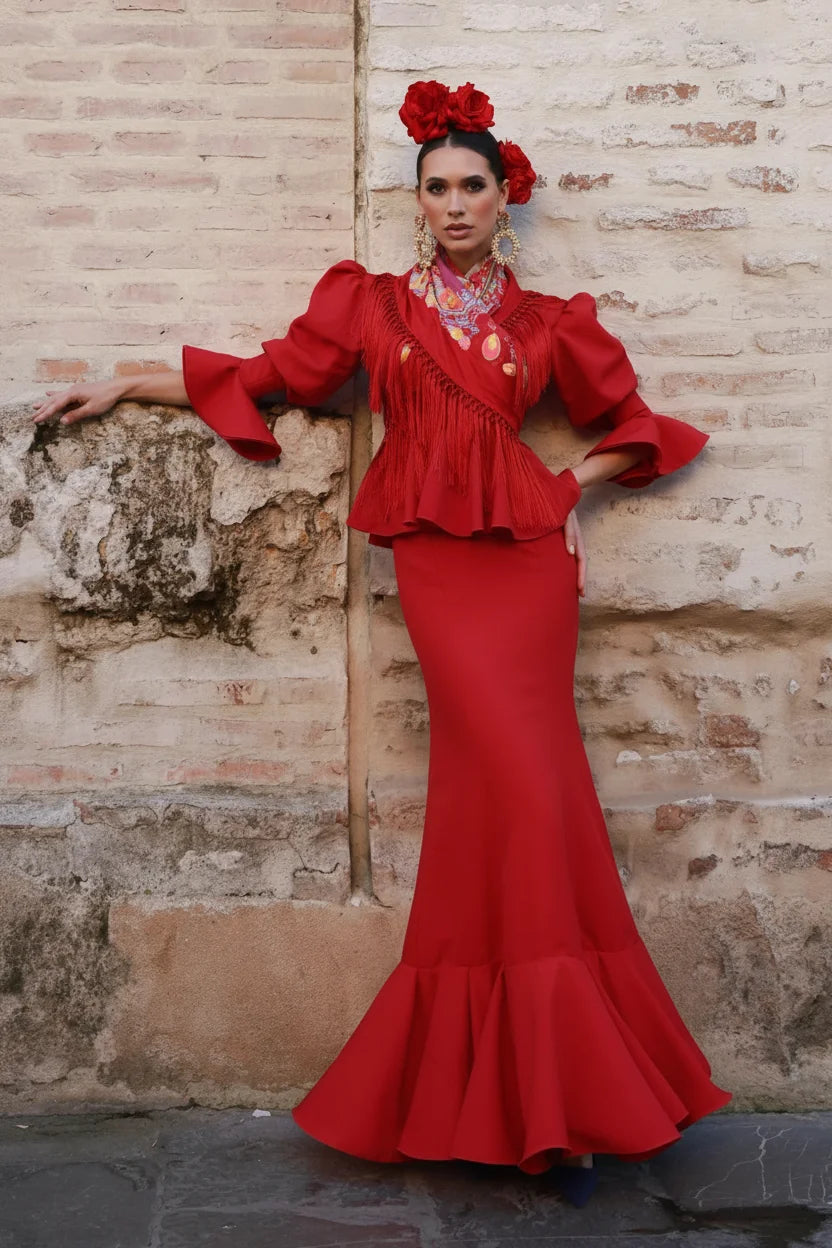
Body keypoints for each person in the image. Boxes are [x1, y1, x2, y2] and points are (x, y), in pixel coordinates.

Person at [31, 78, 732, 1208]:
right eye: (436, 188)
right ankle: (540, 1101)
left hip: (528, 566)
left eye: (473, 186)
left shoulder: (551, 323)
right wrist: (129, 382)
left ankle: (564, 1107)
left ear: (504, 199)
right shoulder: (371, 308)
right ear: (418, 204)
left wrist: (566, 487)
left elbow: (635, 425)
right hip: (442, 573)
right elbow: (271, 375)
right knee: (500, 797)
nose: (453, 202)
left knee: (537, 800)